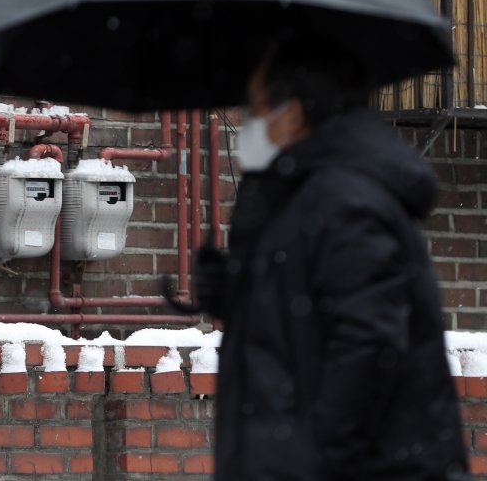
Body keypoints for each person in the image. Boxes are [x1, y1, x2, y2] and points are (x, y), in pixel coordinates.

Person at [196, 38, 469, 480]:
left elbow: (369, 341)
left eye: (260, 107)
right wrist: (236, 293)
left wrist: (315, 454)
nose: (252, 122)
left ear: (296, 112)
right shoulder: (308, 196)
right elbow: (308, 317)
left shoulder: (345, 202)